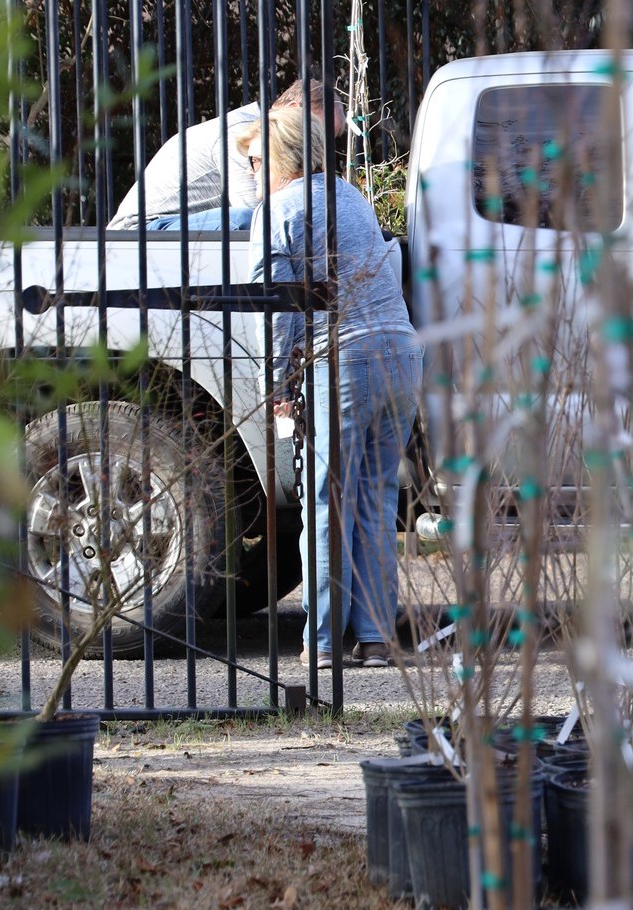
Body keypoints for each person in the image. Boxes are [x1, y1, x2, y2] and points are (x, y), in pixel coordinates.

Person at [237, 105, 422, 670]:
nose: (250, 172)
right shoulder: (351, 196)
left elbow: (277, 306)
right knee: (375, 495)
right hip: (400, 350)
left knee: (325, 498)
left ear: (281, 159)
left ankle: (320, 644)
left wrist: (280, 384)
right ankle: (373, 637)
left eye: (254, 160)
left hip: (343, 355)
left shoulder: (279, 209)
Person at [108, 80, 345, 233]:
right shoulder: (241, 133)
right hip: (141, 232)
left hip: (179, 228)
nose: (321, 146)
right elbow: (260, 214)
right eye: (318, 131)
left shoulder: (263, 134)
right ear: (294, 109)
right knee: (250, 220)